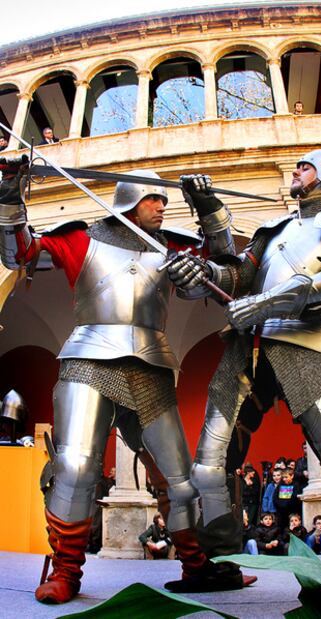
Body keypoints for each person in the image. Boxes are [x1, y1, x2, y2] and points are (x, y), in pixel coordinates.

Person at [0, 159, 253, 603]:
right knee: (76, 467)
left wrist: (209, 207)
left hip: (152, 365)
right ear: (129, 201)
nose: (161, 206)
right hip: (88, 358)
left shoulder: (173, 247)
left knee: (179, 478)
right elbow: (17, 254)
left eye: (163, 199)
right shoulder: (81, 238)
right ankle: (66, 572)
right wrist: (9, 201)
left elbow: (224, 266)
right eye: (153, 198)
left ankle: (197, 566)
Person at [168, 148, 321, 600]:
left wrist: (266, 304)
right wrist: (198, 269)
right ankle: (219, 567)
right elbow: (237, 276)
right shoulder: (275, 230)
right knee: (209, 468)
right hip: (245, 353)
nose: (296, 171)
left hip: (305, 346)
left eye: (305, 166)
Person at [87, 467, 116, 554]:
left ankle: (93, 546)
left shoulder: (104, 481)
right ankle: (93, 546)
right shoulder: (105, 481)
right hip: (97, 505)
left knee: (96, 526)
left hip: (97, 505)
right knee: (95, 527)